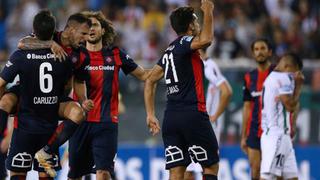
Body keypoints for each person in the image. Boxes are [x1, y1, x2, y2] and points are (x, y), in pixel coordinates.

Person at [0, 12, 94, 178]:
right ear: (71, 30)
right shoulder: (51, 34)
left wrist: (84, 100)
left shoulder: (81, 55)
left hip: (55, 97)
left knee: (78, 111)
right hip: (29, 90)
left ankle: (47, 150)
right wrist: (50, 43)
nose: (87, 38)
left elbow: (79, 81)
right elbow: (23, 43)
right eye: (84, 34)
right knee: (6, 100)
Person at [67, 11, 150, 180]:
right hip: (79, 123)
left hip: (106, 124)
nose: (91, 29)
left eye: (95, 25)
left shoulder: (116, 54)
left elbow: (144, 75)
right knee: (75, 175)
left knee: (104, 173)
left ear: (103, 30)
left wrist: (168, 65)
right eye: (87, 26)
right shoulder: (75, 55)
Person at [144, 1, 219, 180]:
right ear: (190, 25)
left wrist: (150, 114)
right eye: (196, 20)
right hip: (193, 113)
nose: (198, 23)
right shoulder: (186, 42)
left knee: (176, 171)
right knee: (210, 165)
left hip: (171, 117)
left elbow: (150, 80)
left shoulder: (169, 50)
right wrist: (208, 12)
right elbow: (207, 40)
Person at [185, 49, 232, 179]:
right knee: (193, 167)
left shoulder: (208, 66)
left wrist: (215, 116)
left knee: (203, 167)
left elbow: (227, 92)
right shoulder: (200, 65)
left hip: (205, 124)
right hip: (196, 122)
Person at [260, 53, 303, 180]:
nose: (293, 76)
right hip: (276, 136)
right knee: (268, 177)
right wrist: (299, 86)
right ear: (287, 66)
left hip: (283, 137)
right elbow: (291, 106)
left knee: (291, 177)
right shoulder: (283, 78)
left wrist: (292, 124)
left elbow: (289, 105)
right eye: (293, 72)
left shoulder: (271, 78)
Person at [240, 38, 274, 180]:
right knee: (255, 171)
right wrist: (243, 136)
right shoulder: (249, 77)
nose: (260, 52)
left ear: (269, 52)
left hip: (273, 130)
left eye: (263, 48)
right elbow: (247, 107)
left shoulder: (277, 73)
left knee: (271, 172)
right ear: (253, 54)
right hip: (254, 130)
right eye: (256, 49)